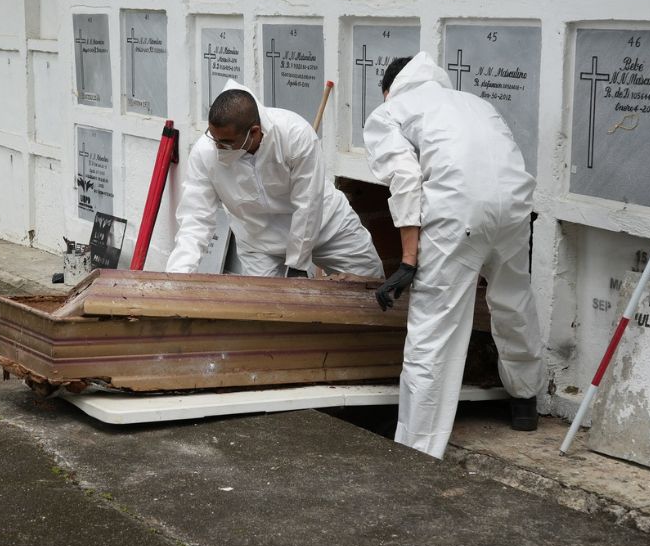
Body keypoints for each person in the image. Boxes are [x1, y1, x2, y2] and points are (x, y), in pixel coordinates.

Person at [364, 52, 544, 459]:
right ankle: (525, 401)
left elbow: (405, 178)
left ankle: (417, 451)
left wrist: (409, 259)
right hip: (514, 206)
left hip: (457, 211)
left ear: (389, 89)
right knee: (513, 302)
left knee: (435, 330)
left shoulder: (391, 111)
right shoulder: (477, 103)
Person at [166, 80, 383, 280]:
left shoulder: (295, 135)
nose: (217, 147)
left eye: (226, 143)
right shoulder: (205, 152)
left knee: (370, 285)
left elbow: (308, 206)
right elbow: (196, 217)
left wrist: (297, 266)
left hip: (325, 226)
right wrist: (177, 277)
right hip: (259, 242)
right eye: (214, 139)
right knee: (265, 312)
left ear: (254, 132)